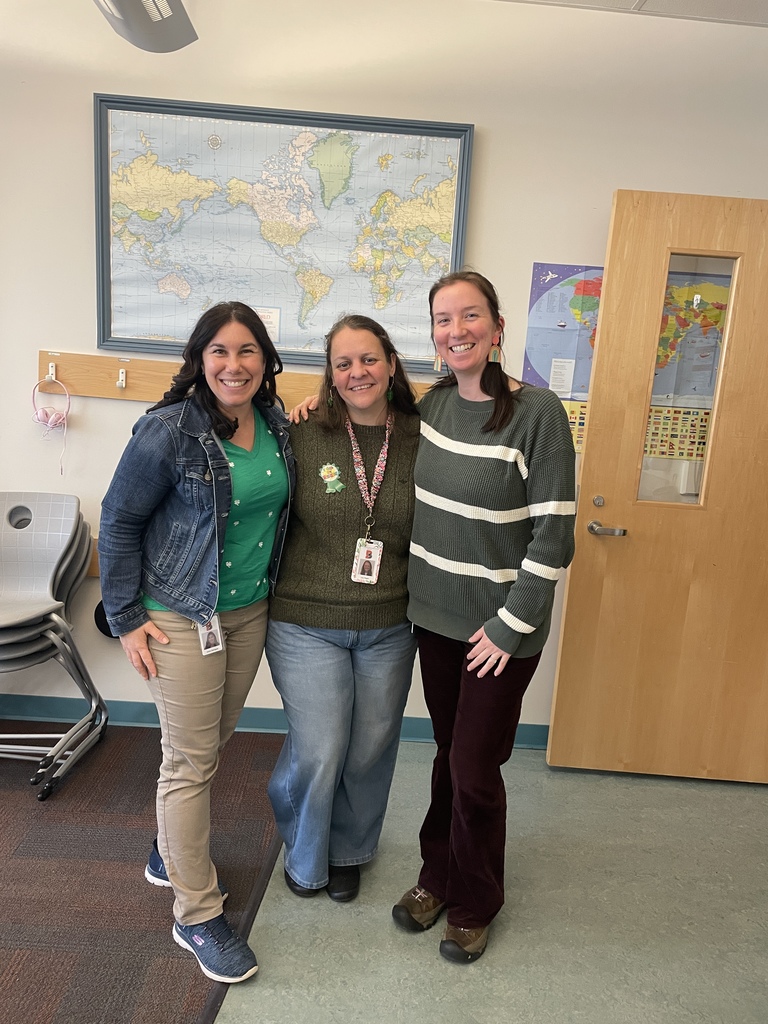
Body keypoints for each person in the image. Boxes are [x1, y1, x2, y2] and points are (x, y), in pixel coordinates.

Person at [98, 301, 294, 984]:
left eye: (247, 352)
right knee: (188, 761)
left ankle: (167, 852)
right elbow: (118, 522)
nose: (234, 365)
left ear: (266, 361)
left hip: (246, 612)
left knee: (213, 741)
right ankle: (196, 913)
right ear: (199, 359)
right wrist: (124, 617)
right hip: (180, 614)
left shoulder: (273, 422)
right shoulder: (167, 431)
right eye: (220, 351)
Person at [391, 271, 576, 964]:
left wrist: (509, 625)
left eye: (470, 316)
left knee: (474, 767)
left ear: (497, 329)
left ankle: (476, 900)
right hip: (435, 620)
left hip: (500, 632)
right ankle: (436, 875)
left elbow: (556, 534)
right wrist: (315, 399)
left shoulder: (538, 413)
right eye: (443, 319)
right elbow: (367, 419)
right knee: (448, 755)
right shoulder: (433, 406)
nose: (456, 330)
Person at [267, 313, 420, 903]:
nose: (358, 372)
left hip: (389, 622)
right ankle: (306, 856)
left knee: (370, 746)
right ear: (329, 376)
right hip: (306, 620)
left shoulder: (419, 434)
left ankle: (350, 849)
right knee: (321, 745)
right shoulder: (302, 432)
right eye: (343, 363)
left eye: (369, 359)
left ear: (391, 364)